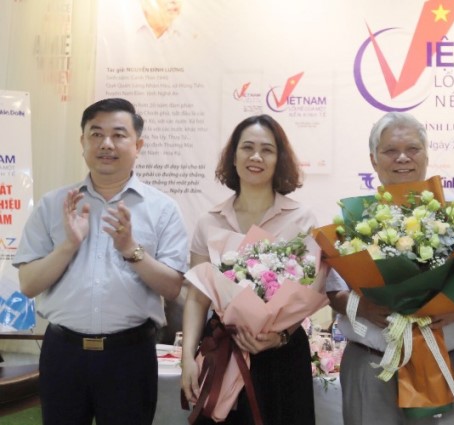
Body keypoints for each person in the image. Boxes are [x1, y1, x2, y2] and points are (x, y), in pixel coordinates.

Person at [12, 97, 189, 425]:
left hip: (130, 354)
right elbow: (28, 285)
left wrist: (130, 249)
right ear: (83, 142)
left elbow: (173, 286)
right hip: (63, 353)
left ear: (138, 145)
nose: (106, 143)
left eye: (119, 134)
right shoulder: (54, 205)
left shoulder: (162, 209)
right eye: (96, 134)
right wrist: (68, 246)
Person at [326, 111, 454, 425]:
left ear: (427, 155)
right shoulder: (353, 218)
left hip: (439, 358)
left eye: (413, 149)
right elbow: (334, 290)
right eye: (390, 150)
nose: (402, 158)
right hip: (371, 363)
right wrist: (363, 306)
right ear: (374, 159)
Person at [181, 114, 317, 425]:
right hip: (224, 348)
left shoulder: (301, 219)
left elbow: (311, 291)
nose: (256, 157)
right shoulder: (210, 220)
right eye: (247, 148)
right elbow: (196, 297)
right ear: (234, 155)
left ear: (279, 159)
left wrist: (280, 336)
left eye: (267, 150)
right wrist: (187, 356)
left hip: (281, 355)